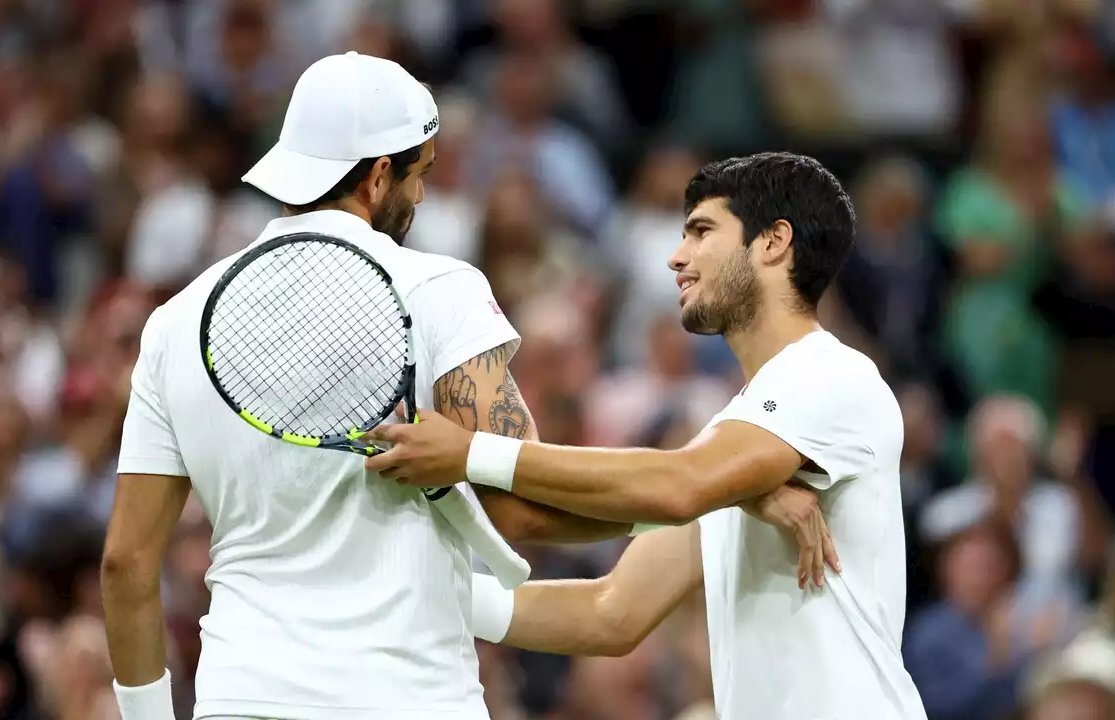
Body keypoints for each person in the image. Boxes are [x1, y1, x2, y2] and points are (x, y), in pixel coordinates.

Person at [99, 53, 836, 720]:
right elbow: (525, 507)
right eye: (417, 175)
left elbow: (127, 562)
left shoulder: (174, 323)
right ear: (379, 173)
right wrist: (716, 492)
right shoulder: (437, 289)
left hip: (242, 697)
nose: (419, 199)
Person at [365, 153, 930, 719]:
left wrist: (471, 453)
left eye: (702, 232)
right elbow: (611, 612)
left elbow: (679, 485)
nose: (676, 257)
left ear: (773, 242)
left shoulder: (829, 375)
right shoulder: (734, 442)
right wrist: (427, 593)